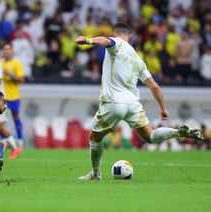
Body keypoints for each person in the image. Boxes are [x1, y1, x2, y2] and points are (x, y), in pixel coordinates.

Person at [75, 22, 204, 180]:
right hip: (133, 103)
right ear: (131, 35)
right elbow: (154, 86)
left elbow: (106, 41)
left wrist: (88, 41)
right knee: (150, 136)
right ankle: (178, 132)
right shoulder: (138, 60)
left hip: (114, 102)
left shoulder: (117, 43)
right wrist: (163, 108)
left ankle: (95, 174)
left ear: (116, 34)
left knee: (95, 137)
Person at [0, 42, 25, 152]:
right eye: (5, 49)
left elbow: (21, 79)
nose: (7, 51)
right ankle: (4, 140)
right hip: (1, 97)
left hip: (14, 96)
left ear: (12, 51)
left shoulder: (16, 63)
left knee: (16, 118)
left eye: (8, 49)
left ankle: (20, 140)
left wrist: (9, 74)